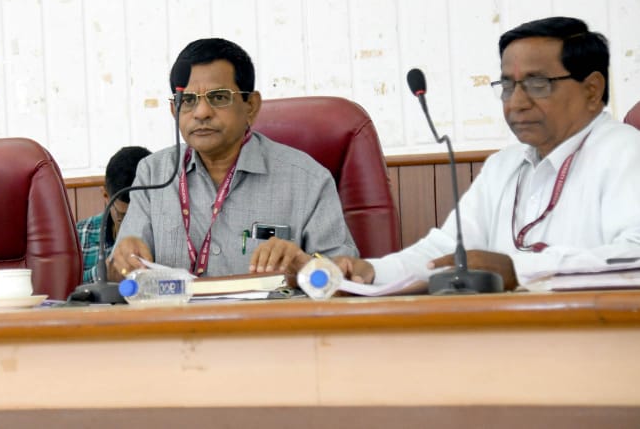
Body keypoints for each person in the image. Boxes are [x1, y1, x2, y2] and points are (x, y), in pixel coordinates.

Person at [332, 17, 640, 290]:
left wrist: (518, 270)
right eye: (507, 85)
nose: (516, 103)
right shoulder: (503, 165)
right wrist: (372, 271)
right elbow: (445, 252)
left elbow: (634, 255)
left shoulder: (625, 151)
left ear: (591, 90)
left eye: (537, 84)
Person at [109, 38, 358, 279]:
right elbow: (117, 275)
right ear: (175, 110)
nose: (201, 112)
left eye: (219, 97)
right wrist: (123, 263)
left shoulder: (308, 180)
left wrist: (304, 266)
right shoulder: (152, 174)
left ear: (251, 105)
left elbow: (345, 276)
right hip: (176, 310)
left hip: (272, 310)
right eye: (189, 100)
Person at [76, 146, 151, 284]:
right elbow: (64, 285)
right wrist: (105, 272)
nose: (133, 225)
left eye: (145, 215)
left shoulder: (167, 236)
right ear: (106, 196)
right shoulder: (80, 235)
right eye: (123, 216)